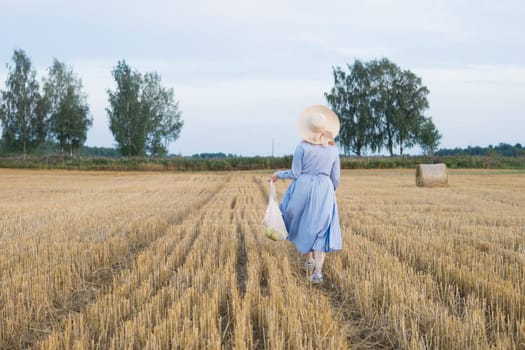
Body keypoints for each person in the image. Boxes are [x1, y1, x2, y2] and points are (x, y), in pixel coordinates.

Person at [270, 105, 342, 284]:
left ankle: (309, 261)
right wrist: (327, 191)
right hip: (324, 188)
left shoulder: (301, 147)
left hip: (303, 187)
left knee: (304, 222)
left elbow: (295, 173)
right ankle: (317, 272)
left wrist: (279, 174)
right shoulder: (333, 149)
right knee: (321, 228)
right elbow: (336, 178)